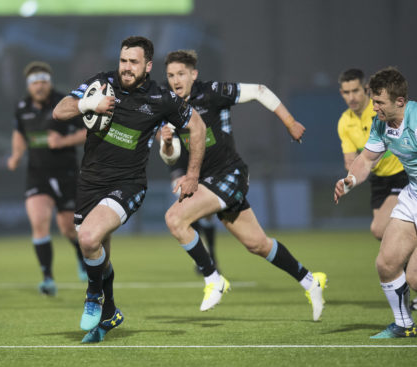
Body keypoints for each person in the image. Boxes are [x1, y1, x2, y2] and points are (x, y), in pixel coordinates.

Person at [52, 36, 207, 343]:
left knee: (88, 237)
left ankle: (93, 296)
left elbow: (198, 126)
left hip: (128, 184)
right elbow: (60, 111)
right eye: (123, 60)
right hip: (90, 182)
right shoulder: (102, 83)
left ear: (147, 66)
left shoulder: (161, 98)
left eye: (133, 62)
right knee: (95, 252)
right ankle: (110, 311)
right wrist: (89, 103)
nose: (126, 67)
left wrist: (192, 175)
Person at [160, 49, 327, 320]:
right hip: (208, 182)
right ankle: (310, 281)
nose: (176, 80)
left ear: (193, 74)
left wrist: (289, 121)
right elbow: (171, 157)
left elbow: (260, 91)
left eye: (181, 74)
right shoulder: (170, 108)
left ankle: (213, 278)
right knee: (257, 244)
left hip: (229, 175)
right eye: (170, 75)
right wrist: (167, 142)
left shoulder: (212, 92)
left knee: (174, 219)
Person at [334, 67, 417, 338]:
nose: (374, 107)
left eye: (379, 102)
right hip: (412, 195)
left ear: (400, 102)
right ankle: (404, 324)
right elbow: (366, 160)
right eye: (374, 100)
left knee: (415, 276)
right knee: (386, 263)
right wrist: (350, 181)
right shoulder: (381, 123)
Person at [7, 61, 88, 296]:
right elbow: (19, 133)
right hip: (37, 175)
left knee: (68, 229)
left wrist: (63, 141)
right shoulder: (22, 107)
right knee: (39, 221)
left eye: (43, 81)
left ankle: (80, 255)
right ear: (29, 86)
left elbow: (89, 131)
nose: (39, 86)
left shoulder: (65, 104)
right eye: (35, 82)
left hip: (66, 174)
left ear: (49, 82)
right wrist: (16, 155)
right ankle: (48, 278)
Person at [337, 69, 408, 240]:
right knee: (383, 235)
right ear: (341, 93)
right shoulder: (344, 122)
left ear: (366, 89)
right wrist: (351, 175)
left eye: (355, 90)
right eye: (346, 92)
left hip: (402, 174)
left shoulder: (380, 109)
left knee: (379, 229)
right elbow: (350, 160)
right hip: (378, 180)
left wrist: (367, 161)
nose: (351, 97)